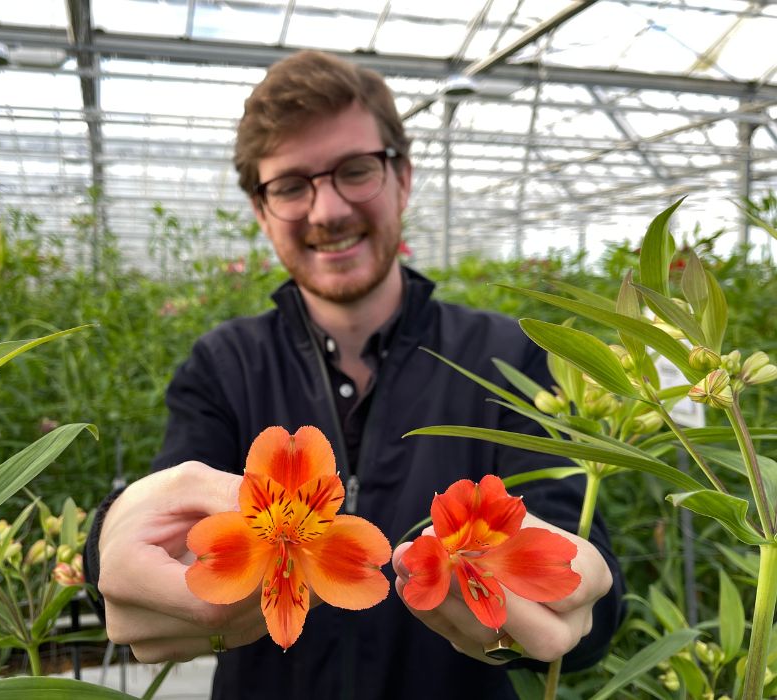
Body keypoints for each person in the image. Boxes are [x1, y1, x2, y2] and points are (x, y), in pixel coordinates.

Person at [84, 49, 623, 699]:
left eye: (355, 170)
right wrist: (106, 543)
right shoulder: (223, 364)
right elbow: (169, 517)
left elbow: (576, 549)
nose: (328, 209)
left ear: (403, 177)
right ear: (261, 211)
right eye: (289, 186)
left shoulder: (510, 357)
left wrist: (579, 610)